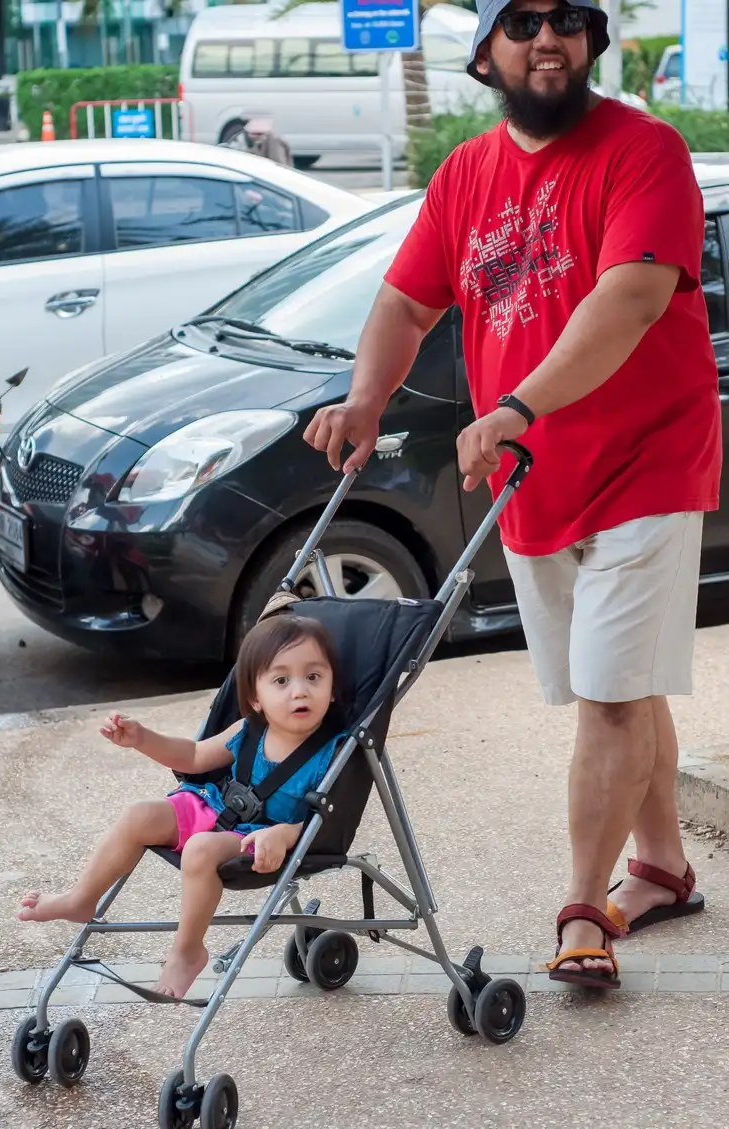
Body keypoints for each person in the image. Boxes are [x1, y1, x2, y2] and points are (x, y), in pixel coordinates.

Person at [302, 0, 722, 990]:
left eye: (571, 18)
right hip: (533, 480)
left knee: (611, 697)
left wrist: (520, 403)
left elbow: (632, 295)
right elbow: (408, 300)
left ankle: (585, 910)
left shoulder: (644, 151)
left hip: (645, 461)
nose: (550, 36)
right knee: (617, 682)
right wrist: (366, 398)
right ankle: (660, 865)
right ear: (486, 52)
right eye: (524, 18)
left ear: (593, 43)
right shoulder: (466, 176)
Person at [17, 615, 343, 999]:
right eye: (281, 681)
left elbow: (324, 820)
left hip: (261, 837)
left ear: (333, 688)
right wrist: (142, 739)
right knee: (139, 814)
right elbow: (192, 755)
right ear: (256, 697)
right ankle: (81, 899)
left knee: (200, 849)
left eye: (314, 678)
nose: (299, 692)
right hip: (216, 807)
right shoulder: (247, 729)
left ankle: (188, 950)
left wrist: (285, 834)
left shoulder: (331, 754)